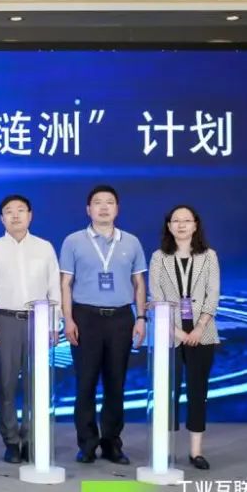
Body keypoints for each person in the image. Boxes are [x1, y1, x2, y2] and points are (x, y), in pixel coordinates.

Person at [59, 185, 147, 465]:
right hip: (85, 317)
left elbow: (139, 282)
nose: (104, 207)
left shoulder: (131, 242)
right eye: (98, 202)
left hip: (121, 318)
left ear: (117, 209)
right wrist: (68, 319)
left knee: (115, 384)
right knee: (85, 384)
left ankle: (112, 444)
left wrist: (141, 317)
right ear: (89, 210)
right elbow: (65, 283)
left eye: (109, 202)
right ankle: (87, 444)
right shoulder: (73, 241)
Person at [0, 195, 61, 464]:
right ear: (1, 218)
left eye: (20, 210)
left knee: (35, 384)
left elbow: (54, 288)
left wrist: (54, 324)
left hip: (39, 319)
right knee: (6, 384)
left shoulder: (45, 247)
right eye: (9, 211)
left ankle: (31, 439)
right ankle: (12, 441)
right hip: (5, 321)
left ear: (30, 215)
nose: (15, 215)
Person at [149, 205, 220, 470]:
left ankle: (196, 452)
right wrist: (176, 331)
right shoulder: (159, 257)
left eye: (186, 220)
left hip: (203, 333)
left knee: (197, 392)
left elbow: (213, 294)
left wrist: (199, 328)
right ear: (168, 226)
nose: (181, 225)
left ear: (195, 225)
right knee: (168, 393)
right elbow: (156, 297)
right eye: (175, 220)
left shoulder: (209, 256)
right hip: (170, 333)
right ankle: (166, 450)